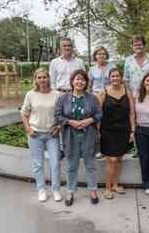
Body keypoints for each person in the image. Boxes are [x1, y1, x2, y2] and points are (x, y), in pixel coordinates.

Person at [55, 69, 101, 206]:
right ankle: (70, 191)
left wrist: (90, 120)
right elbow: (57, 116)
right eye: (77, 79)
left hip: (89, 135)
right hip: (70, 136)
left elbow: (99, 114)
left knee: (90, 165)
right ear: (72, 81)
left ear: (86, 82)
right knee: (71, 166)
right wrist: (70, 122)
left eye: (82, 79)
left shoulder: (92, 98)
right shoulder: (63, 99)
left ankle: (93, 190)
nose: (79, 81)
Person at [21, 68, 61, 202]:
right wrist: (28, 129)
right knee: (38, 164)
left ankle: (56, 190)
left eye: (44, 77)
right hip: (35, 134)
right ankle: (41, 190)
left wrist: (59, 127)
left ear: (48, 78)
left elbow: (62, 114)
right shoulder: (30, 94)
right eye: (39, 77)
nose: (42, 80)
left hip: (52, 134)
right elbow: (24, 113)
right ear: (35, 80)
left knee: (55, 163)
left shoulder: (56, 94)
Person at [97, 68, 135, 200]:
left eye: (117, 76)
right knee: (111, 160)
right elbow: (98, 114)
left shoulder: (127, 92)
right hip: (107, 131)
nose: (115, 78)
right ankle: (107, 188)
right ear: (109, 78)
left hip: (123, 130)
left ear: (121, 77)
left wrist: (132, 131)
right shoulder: (103, 92)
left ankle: (115, 185)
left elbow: (131, 113)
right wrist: (97, 131)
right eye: (112, 76)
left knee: (119, 159)